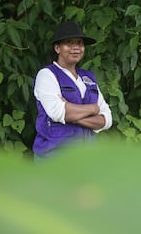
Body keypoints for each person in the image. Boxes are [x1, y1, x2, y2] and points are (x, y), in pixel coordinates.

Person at [33, 21, 112, 159]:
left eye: (80, 43)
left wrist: (73, 115)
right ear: (57, 48)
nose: (76, 47)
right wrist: (93, 109)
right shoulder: (47, 75)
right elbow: (58, 112)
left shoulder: (88, 77)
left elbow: (107, 119)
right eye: (69, 43)